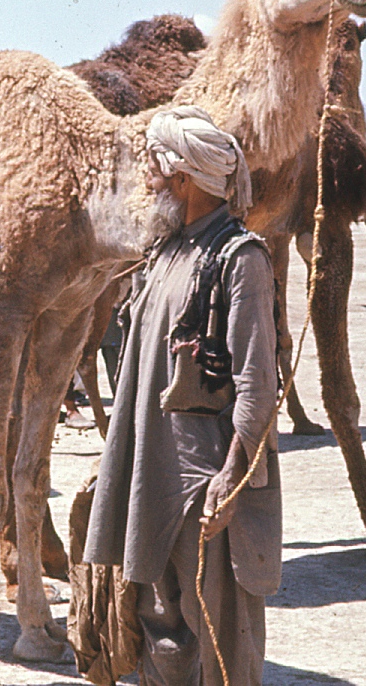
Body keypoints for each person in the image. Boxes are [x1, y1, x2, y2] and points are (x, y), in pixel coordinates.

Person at [83, 106, 280, 686]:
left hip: (204, 479)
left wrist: (233, 477)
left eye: (153, 169)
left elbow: (257, 381)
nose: (146, 181)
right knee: (159, 627)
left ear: (184, 179)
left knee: (221, 633)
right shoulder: (166, 252)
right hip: (149, 471)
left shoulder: (239, 258)